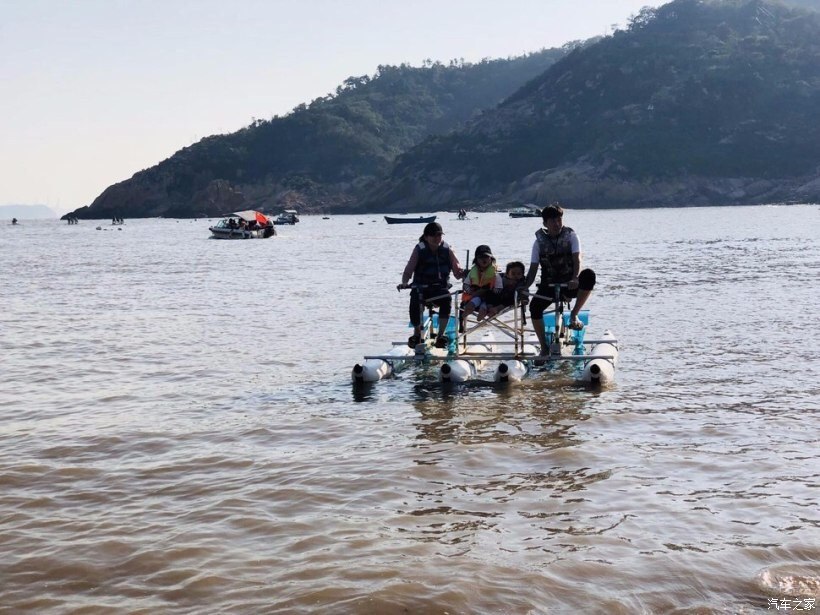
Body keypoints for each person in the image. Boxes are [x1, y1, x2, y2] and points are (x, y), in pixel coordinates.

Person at [524, 204, 596, 356]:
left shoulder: (571, 236)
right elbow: (533, 269)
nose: (557, 224)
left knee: (589, 275)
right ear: (545, 223)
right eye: (553, 221)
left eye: (559, 220)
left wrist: (575, 277)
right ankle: (544, 347)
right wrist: (524, 286)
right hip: (549, 284)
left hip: (570, 283)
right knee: (534, 308)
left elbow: (577, 258)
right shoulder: (538, 243)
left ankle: (574, 314)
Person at [398, 222, 464, 348]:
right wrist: (405, 282)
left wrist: (464, 274)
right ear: (426, 237)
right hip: (421, 288)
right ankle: (417, 333)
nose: (437, 238)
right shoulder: (419, 249)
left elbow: (457, 271)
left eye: (439, 235)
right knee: (415, 301)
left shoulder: (447, 249)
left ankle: (440, 336)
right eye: (434, 235)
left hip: (440, 288)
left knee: (447, 299)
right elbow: (408, 270)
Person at [460, 244, 499, 326]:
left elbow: (499, 286)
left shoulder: (495, 272)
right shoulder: (472, 272)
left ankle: (482, 313)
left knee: (485, 303)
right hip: (476, 295)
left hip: (489, 296)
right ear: (476, 260)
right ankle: (469, 309)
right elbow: (466, 284)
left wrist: (495, 290)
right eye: (481, 257)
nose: (484, 259)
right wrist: (469, 290)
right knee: (474, 301)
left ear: (491, 259)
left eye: (486, 257)